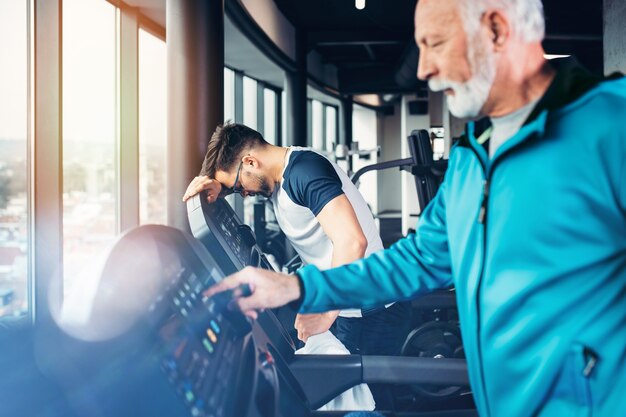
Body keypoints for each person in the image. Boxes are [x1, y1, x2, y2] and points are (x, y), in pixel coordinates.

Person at [205, 0, 626, 416]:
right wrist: (300, 290)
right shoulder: (471, 160)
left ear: (496, 30)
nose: (423, 68)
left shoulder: (611, 125)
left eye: (435, 42)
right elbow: (417, 261)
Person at [182, 123, 411, 409]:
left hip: (369, 310)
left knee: (371, 406)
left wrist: (327, 311)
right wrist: (218, 186)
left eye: (238, 186)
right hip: (351, 304)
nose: (242, 193)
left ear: (251, 161)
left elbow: (352, 242)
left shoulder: (304, 172)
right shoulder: (284, 177)